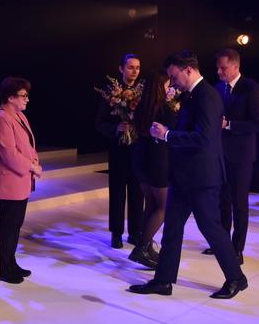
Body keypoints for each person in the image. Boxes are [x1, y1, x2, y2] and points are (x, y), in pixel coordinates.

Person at [128, 50, 248, 299]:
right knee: (172, 229)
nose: (172, 82)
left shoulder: (207, 96)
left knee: (211, 228)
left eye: (174, 77)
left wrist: (167, 135)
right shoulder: (193, 95)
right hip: (184, 176)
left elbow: (203, 138)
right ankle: (163, 281)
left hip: (202, 177)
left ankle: (237, 279)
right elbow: (189, 130)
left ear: (189, 70)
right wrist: (166, 130)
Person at [201, 49, 259, 265]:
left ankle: (237, 249)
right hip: (220, 155)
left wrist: (229, 124)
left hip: (241, 156)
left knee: (239, 203)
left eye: (223, 68)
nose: (219, 72)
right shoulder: (217, 89)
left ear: (236, 66)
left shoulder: (251, 88)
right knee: (221, 202)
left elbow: (258, 123)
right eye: (217, 68)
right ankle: (222, 244)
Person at [0, 77, 42, 284]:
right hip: (9, 181)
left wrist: (35, 161)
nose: (27, 99)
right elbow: (8, 153)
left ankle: (11, 262)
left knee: (15, 225)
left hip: (21, 181)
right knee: (7, 226)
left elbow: (28, 145)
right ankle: (3, 266)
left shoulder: (19, 116)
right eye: (23, 95)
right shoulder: (1, 118)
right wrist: (31, 166)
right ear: (10, 97)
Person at [128, 72, 178, 269]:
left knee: (151, 204)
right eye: (167, 86)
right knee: (164, 207)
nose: (169, 89)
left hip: (140, 158)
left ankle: (147, 247)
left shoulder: (140, 107)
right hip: (158, 160)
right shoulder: (165, 110)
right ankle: (141, 248)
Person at [95, 54, 145, 248]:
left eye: (137, 67)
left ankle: (135, 231)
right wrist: (116, 128)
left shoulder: (143, 92)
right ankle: (116, 232)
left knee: (137, 191)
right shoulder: (111, 94)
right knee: (117, 191)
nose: (135, 71)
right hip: (118, 149)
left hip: (138, 149)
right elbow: (99, 123)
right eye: (131, 67)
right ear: (121, 69)